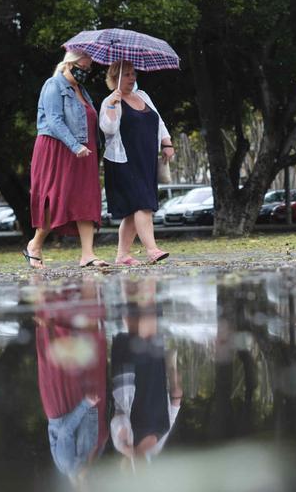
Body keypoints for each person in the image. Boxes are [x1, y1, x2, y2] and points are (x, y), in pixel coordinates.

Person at [25, 50, 108, 269]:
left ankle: (88, 254)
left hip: (84, 151)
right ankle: (35, 244)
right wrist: (74, 145)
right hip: (58, 148)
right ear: (70, 64)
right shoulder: (53, 85)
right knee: (55, 198)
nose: (86, 72)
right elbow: (53, 120)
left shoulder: (82, 90)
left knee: (86, 198)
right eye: (82, 68)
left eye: (88, 69)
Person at [35, 279, 109, 487]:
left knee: (59, 339)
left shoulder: (68, 465)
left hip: (65, 404)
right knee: (91, 337)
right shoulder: (90, 460)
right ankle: (88, 279)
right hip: (87, 402)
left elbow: (65, 431)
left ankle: (42, 277)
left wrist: (85, 404)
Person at [100, 61, 174, 266]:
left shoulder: (143, 96)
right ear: (115, 78)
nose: (132, 78)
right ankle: (152, 250)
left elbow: (158, 121)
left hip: (146, 158)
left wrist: (167, 143)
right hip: (124, 160)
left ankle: (122, 255)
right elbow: (108, 129)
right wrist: (112, 106)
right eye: (127, 75)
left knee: (135, 211)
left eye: (133, 74)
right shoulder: (110, 100)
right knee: (143, 204)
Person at [110, 277, 182, 469]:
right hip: (155, 374)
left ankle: (136, 274)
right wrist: (173, 373)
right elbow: (175, 401)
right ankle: (141, 275)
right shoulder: (157, 449)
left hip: (131, 375)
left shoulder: (124, 445)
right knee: (141, 322)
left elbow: (118, 420)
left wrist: (130, 452)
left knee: (136, 322)